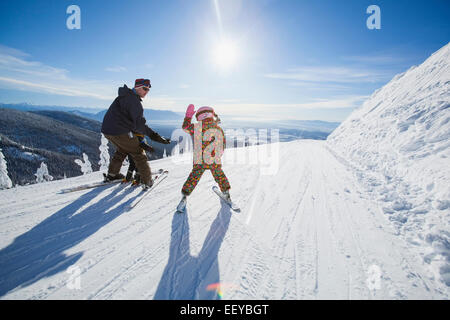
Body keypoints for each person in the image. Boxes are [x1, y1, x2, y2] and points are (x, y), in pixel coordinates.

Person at [101, 78, 170, 189]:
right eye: (145, 88)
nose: (147, 91)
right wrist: (155, 136)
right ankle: (147, 181)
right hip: (119, 131)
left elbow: (128, 121)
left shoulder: (124, 97)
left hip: (107, 130)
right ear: (137, 87)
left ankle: (112, 175)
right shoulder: (134, 102)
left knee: (122, 149)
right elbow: (139, 125)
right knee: (139, 153)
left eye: (148, 89)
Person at [180, 104, 231, 202]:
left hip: (199, 159)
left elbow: (185, 127)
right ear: (211, 115)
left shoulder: (196, 127)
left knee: (194, 176)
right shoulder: (218, 128)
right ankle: (226, 193)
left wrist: (188, 117)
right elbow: (222, 144)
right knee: (219, 175)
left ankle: (184, 195)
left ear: (199, 116)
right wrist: (219, 155)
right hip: (213, 158)